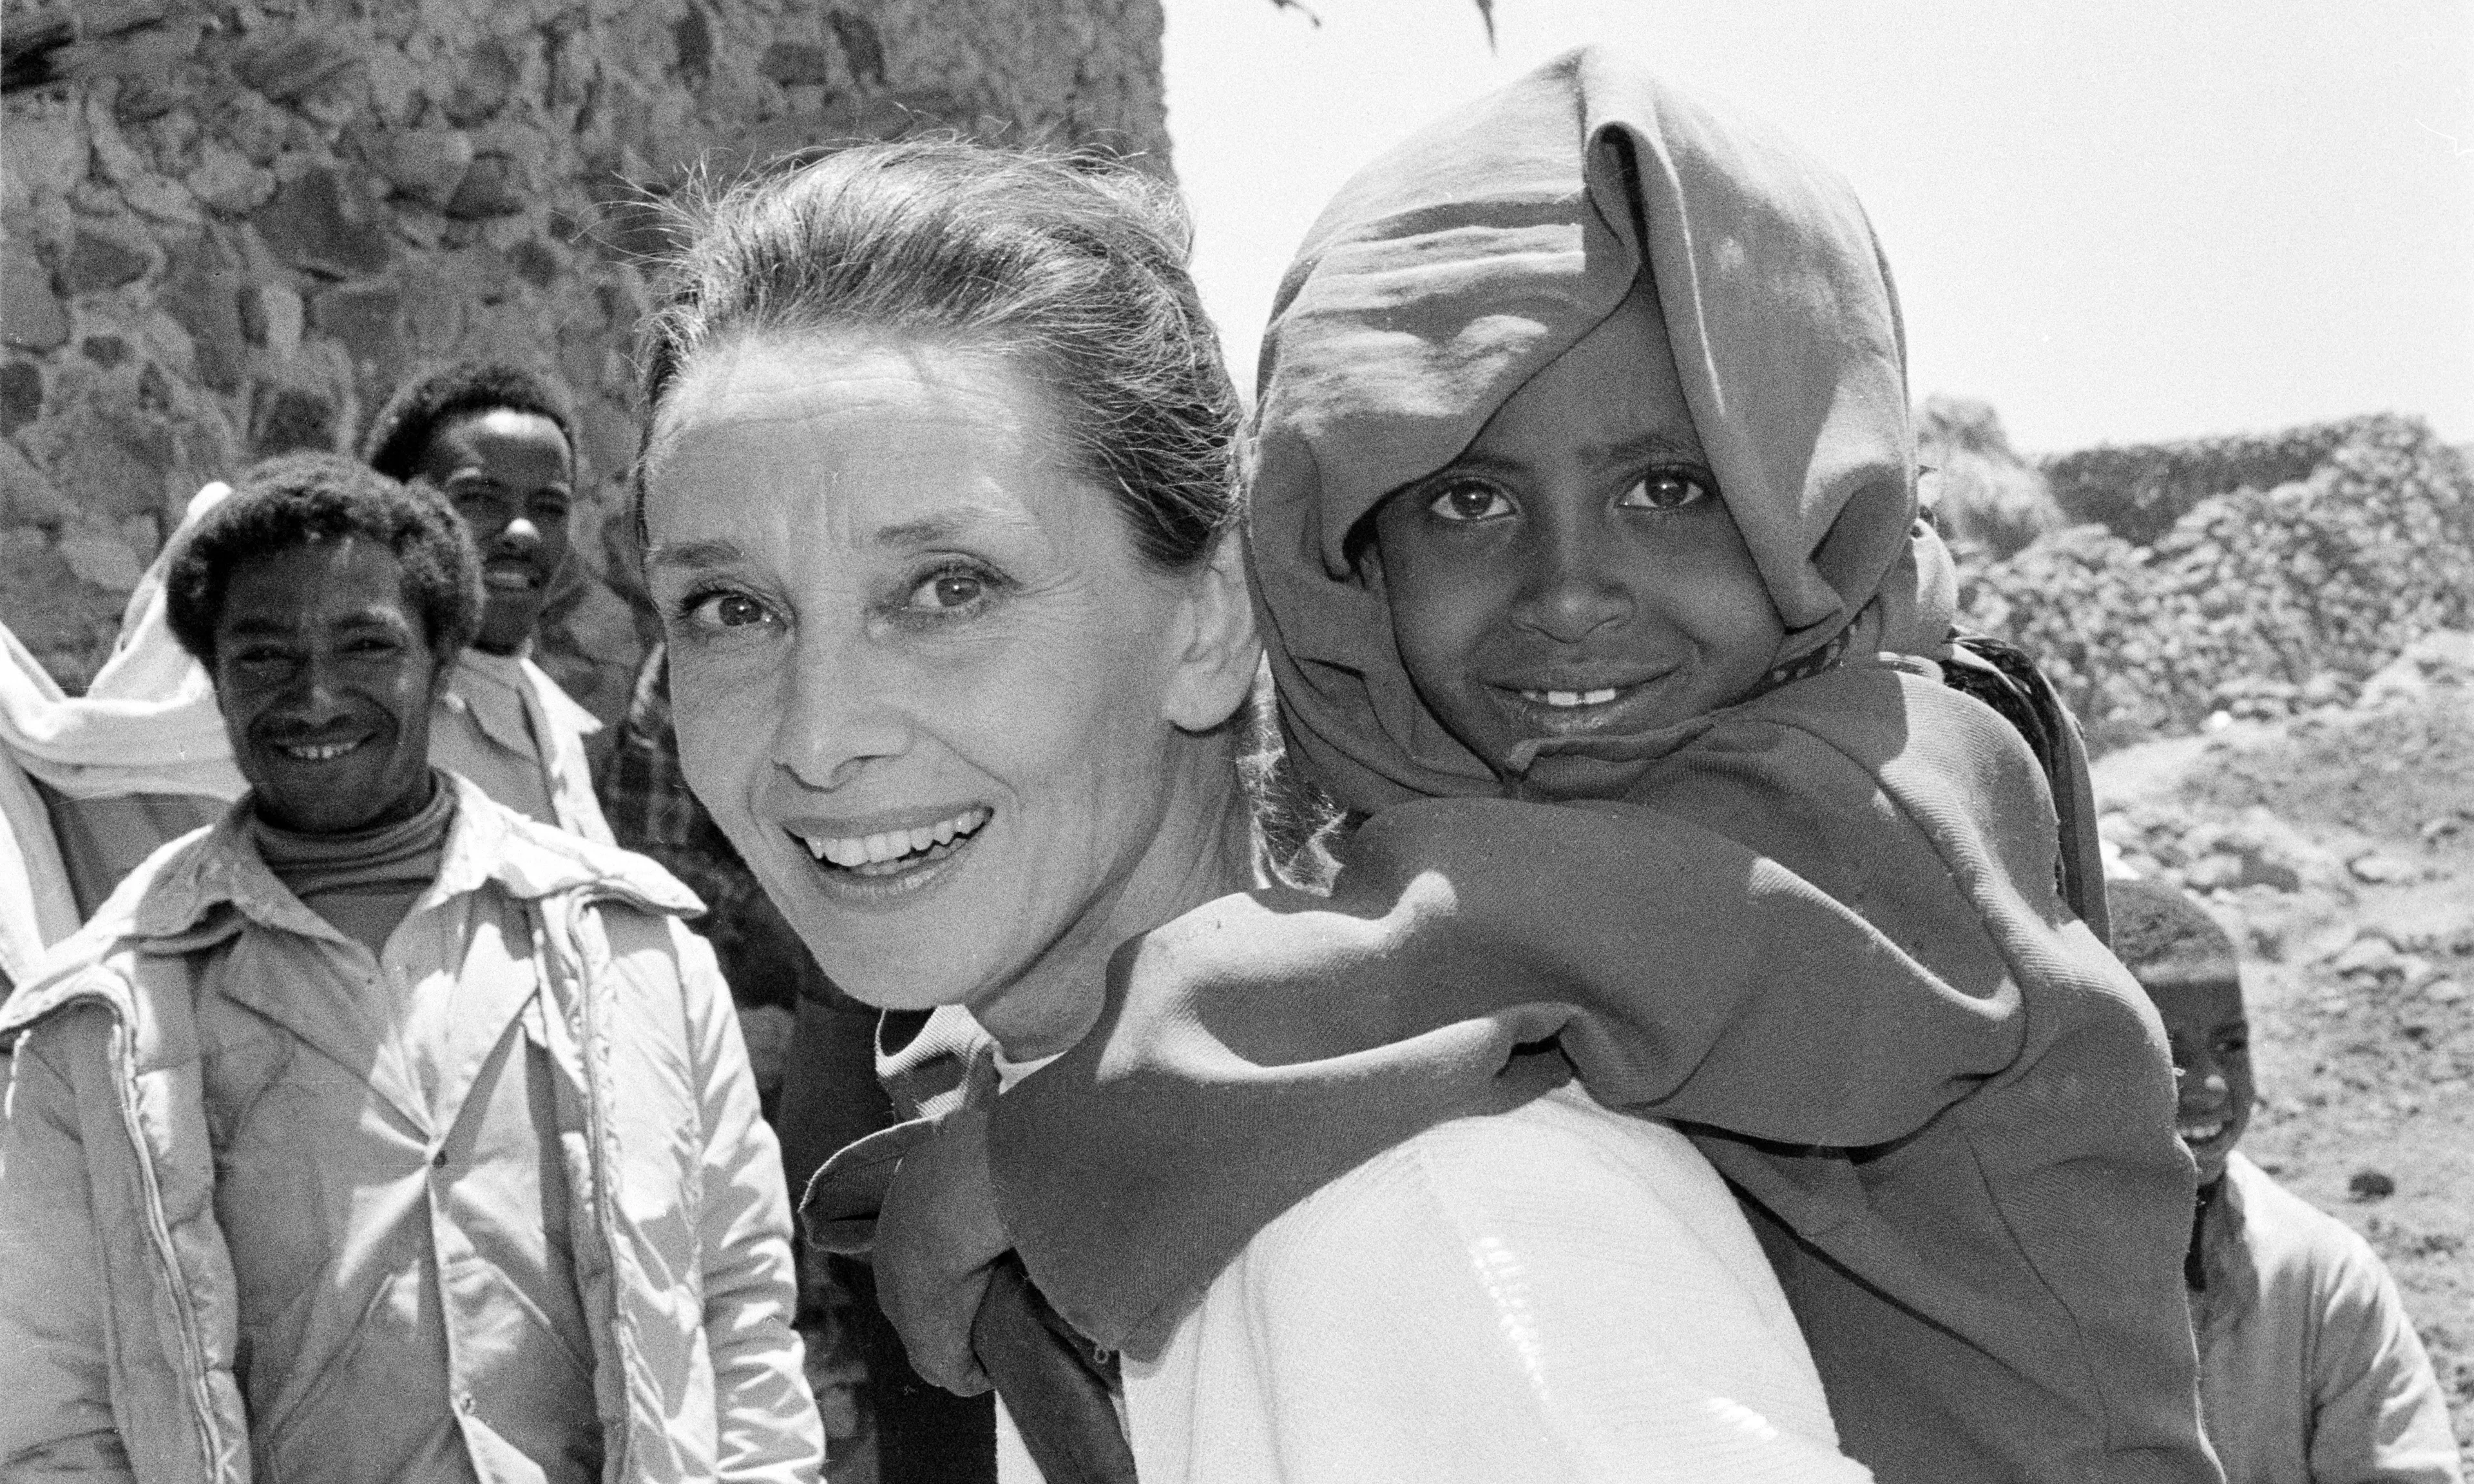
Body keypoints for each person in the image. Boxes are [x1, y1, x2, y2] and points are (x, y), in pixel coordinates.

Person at [935, 48, 2220, 1484]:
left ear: (1814, 495)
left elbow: (1487, 936)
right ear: (1347, 552)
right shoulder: (1590, 823)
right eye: (1468, 501)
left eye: (1670, 490)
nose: (1568, 590)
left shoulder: (1891, 798)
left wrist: (1036, 1152)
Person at [637, 138, 1866, 1481]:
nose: (818, 738)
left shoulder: (1436, 1225)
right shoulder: (1099, 1152)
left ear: (1212, 623)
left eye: (949, 588)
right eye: (732, 610)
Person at [0, 453, 823, 1481]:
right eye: (263, 656)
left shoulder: (629, 950)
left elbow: (739, 1310)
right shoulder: (102, 1019)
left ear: (439, 659)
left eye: (364, 647)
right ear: (213, 678)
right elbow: (56, 1412)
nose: (314, 697)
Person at [2111, 879, 2464, 1484]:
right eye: (2168, 1052)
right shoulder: (2002, 1267)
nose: (2214, 1087)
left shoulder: (2318, 1275)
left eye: (2231, 1045)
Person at [363, 360, 615, 843]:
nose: (523, 532)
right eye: (480, 499)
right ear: (396, 511)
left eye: (550, 507)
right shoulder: (377, 721)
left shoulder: (553, 723)